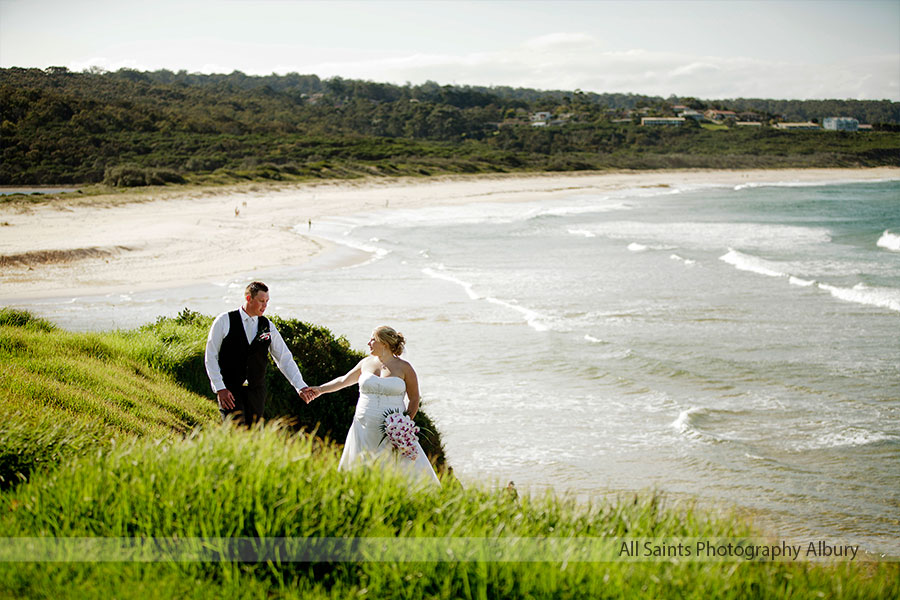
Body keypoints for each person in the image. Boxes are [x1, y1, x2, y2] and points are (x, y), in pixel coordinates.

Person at [306, 326, 440, 485]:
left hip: (392, 429)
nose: (369, 343)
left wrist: (404, 425)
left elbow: (414, 398)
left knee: (397, 469)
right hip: (363, 425)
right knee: (361, 464)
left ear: (384, 343)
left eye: (372, 339)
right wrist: (320, 390)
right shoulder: (366, 363)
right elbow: (343, 381)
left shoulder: (405, 368)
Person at [204, 281, 313, 425]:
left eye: (267, 301)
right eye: (261, 301)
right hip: (230, 392)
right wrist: (220, 388)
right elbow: (211, 356)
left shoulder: (268, 326)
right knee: (235, 433)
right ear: (249, 298)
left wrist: (300, 386)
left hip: (256, 394)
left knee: (253, 438)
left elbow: (284, 358)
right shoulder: (224, 320)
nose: (265, 306)